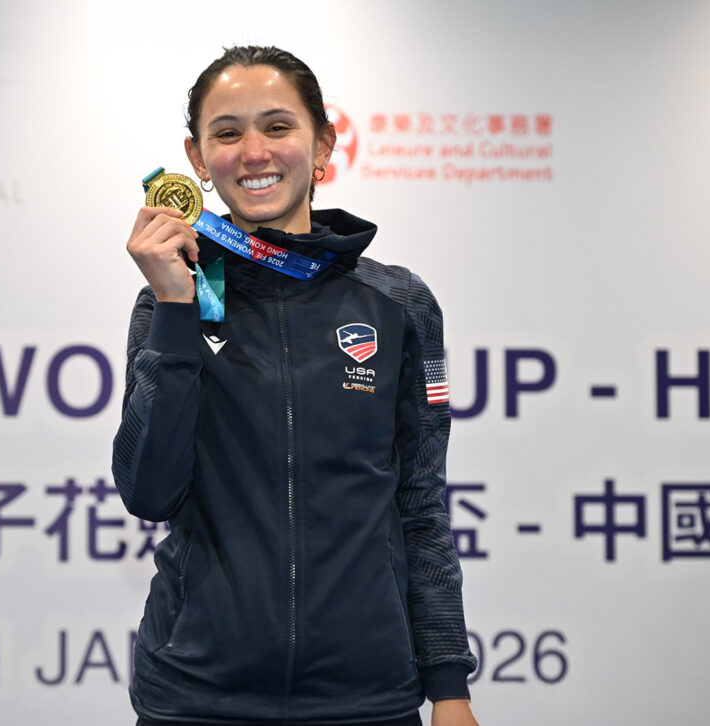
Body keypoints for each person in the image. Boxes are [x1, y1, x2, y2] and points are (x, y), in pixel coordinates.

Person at [115, 46, 480, 726]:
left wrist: (449, 686)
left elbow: (421, 504)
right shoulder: (177, 299)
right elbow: (149, 491)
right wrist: (173, 308)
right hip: (197, 697)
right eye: (228, 132)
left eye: (277, 126)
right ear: (197, 159)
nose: (254, 151)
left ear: (322, 145)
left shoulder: (399, 304)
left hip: (366, 698)